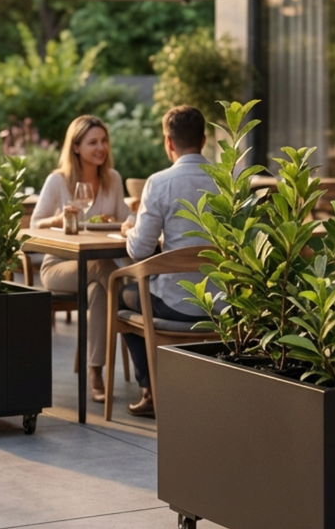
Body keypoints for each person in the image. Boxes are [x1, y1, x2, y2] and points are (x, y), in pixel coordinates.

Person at [119, 106, 216, 418]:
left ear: (168, 143)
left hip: (177, 303)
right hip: (226, 304)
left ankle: (150, 391)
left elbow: (138, 250)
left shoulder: (159, 183)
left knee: (123, 296)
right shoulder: (230, 180)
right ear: (203, 140)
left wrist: (129, 228)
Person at [30, 115, 130, 403]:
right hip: (59, 266)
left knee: (100, 290)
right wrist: (59, 218)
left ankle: (95, 371)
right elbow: (35, 224)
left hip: (97, 271)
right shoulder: (58, 180)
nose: (101, 148)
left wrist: (140, 219)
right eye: (93, 142)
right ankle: (133, 304)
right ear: (75, 147)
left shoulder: (112, 179)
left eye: (104, 141)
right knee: (105, 271)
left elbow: (124, 216)